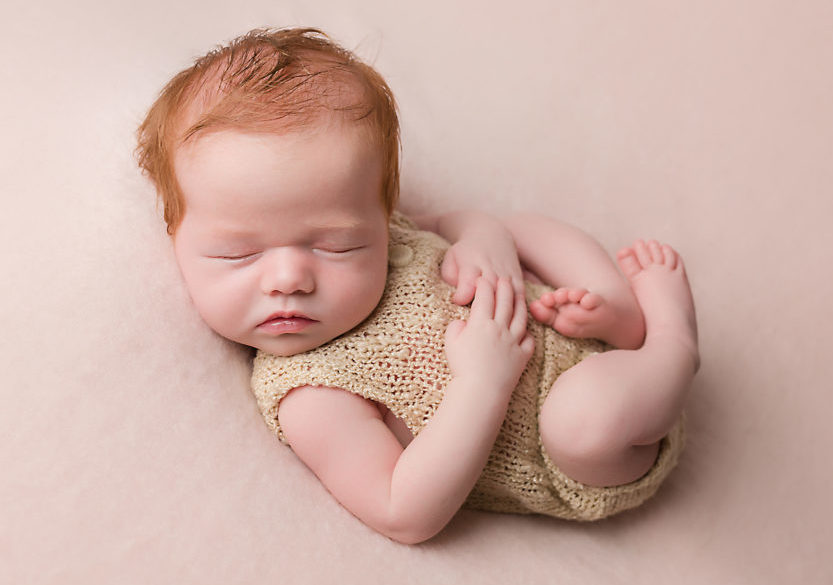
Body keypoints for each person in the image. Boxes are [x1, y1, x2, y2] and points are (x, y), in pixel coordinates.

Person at [136, 27, 700, 544]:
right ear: (175, 236)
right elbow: (403, 511)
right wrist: (484, 380)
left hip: (570, 330)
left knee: (522, 228)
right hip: (589, 452)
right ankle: (672, 340)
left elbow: (463, 221)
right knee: (580, 422)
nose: (288, 279)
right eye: (239, 254)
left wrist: (484, 242)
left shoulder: (388, 235)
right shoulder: (310, 394)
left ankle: (621, 313)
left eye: (336, 245)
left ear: (380, 217)